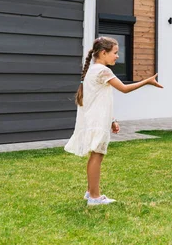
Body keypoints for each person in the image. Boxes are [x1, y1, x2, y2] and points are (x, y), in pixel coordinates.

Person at [65, 36, 163, 206]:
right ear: (103, 53)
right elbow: (124, 89)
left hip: (96, 119)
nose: (117, 56)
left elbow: (99, 98)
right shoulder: (103, 71)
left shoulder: (93, 70)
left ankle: (91, 193)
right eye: (115, 53)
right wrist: (147, 81)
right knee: (97, 155)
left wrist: (112, 120)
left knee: (95, 155)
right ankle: (95, 197)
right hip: (97, 121)